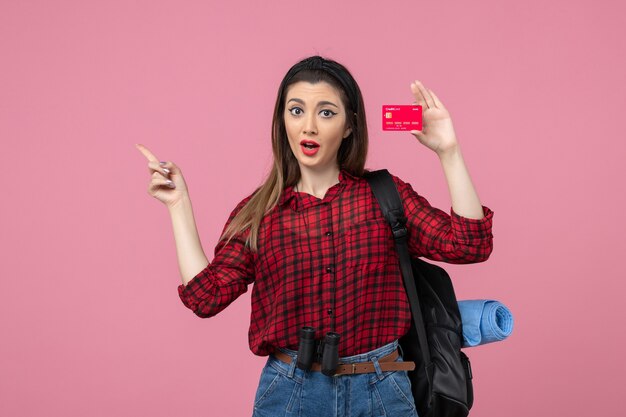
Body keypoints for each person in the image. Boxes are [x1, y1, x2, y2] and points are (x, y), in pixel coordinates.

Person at [136, 55, 494, 417]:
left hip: (382, 388)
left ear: (349, 126)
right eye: (296, 111)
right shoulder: (260, 214)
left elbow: (470, 244)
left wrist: (449, 152)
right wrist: (178, 205)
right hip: (290, 393)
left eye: (326, 112)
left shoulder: (385, 196)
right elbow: (206, 296)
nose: (309, 126)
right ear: (282, 121)